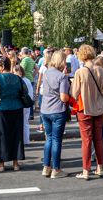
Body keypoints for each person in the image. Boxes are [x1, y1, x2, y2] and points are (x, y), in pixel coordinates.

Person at [70, 44, 103, 180]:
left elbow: (74, 92)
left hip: (85, 110)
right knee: (98, 139)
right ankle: (100, 167)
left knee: (86, 141)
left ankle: (86, 170)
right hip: (99, 108)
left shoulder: (80, 72)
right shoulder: (101, 70)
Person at [0, 57, 26, 172]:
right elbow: (24, 91)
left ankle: (1, 164)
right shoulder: (17, 78)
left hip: (0, 109)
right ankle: (16, 164)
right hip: (16, 108)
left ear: (2, 66)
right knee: (16, 135)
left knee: (0, 136)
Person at [39, 51, 70, 179]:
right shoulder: (62, 77)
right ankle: (56, 169)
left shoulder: (46, 73)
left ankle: (46, 167)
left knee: (49, 139)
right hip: (57, 110)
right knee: (57, 140)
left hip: (45, 110)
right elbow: (63, 98)